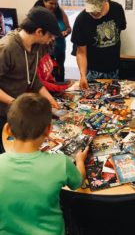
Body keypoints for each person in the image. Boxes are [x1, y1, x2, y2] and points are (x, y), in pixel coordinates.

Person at [0, 93, 88, 235]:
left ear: (8, 129)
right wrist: (80, 161)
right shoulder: (60, 162)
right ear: (48, 130)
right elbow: (78, 182)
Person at [0, 6, 60, 153]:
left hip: (18, 111)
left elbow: (32, 79)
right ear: (39, 31)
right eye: (50, 36)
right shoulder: (7, 48)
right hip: (3, 113)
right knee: (8, 153)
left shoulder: (37, 47)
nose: (51, 40)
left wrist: (50, 99)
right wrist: (14, 103)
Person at [71, 0, 126, 90]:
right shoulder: (81, 20)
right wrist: (82, 75)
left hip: (114, 68)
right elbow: (81, 52)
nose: (95, 13)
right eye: (91, 10)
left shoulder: (117, 9)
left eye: (98, 9)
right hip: (92, 71)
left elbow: (119, 31)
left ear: (105, 1)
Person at [34, 0, 71, 82]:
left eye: (56, 4)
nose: (54, 6)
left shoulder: (59, 12)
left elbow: (69, 28)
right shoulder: (37, 13)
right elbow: (34, 33)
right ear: (44, 1)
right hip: (44, 49)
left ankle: (61, 89)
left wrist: (66, 32)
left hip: (60, 47)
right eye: (51, 3)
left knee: (60, 68)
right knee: (47, 72)